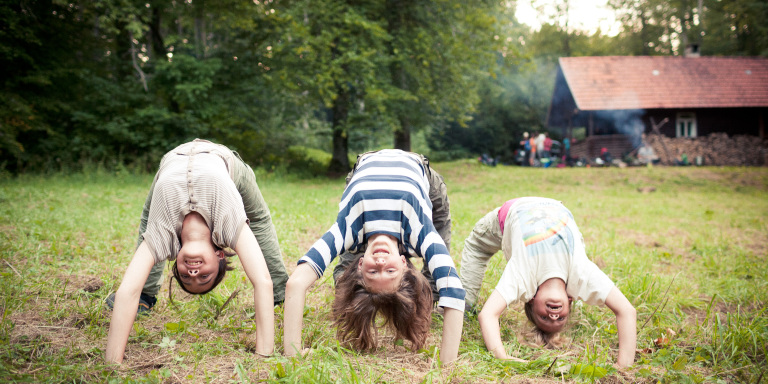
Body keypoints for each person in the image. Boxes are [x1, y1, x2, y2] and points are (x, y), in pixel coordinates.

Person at [105, 139, 287, 363]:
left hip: (173, 158)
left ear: (175, 260)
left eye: (185, 275)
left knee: (147, 224)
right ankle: (281, 295)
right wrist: (264, 354)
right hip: (224, 159)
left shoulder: (162, 237)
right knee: (257, 219)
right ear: (220, 254)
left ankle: (147, 293)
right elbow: (262, 281)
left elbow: (126, 291)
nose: (193, 273)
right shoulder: (229, 226)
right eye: (205, 276)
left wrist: (112, 362)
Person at [283, 149, 465, 364]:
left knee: (345, 273)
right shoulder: (421, 231)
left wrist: (292, 352)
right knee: (440, 235)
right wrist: (447, 364)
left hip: (363, 167)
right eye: (390, 271)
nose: (381, 263)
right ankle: (427, 304)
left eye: (373, 271)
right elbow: (454, 290)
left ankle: (358, 290)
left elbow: (296, 283)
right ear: (404, 262)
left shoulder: (347, 229)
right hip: (421, 174)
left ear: (360, 264)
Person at [459, 197, 636, 367]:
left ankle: (465, 304)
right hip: (555, 206)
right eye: (561, 318)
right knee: (579, 249)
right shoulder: (582, 275)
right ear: (570, 300)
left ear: (530, 299)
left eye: (544, 317)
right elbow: (627, 311)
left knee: (476, 248)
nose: (553, 316)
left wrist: (502, 357)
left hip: (513, 211)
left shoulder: (523, 277)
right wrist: (623, 366)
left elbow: (488, 315)